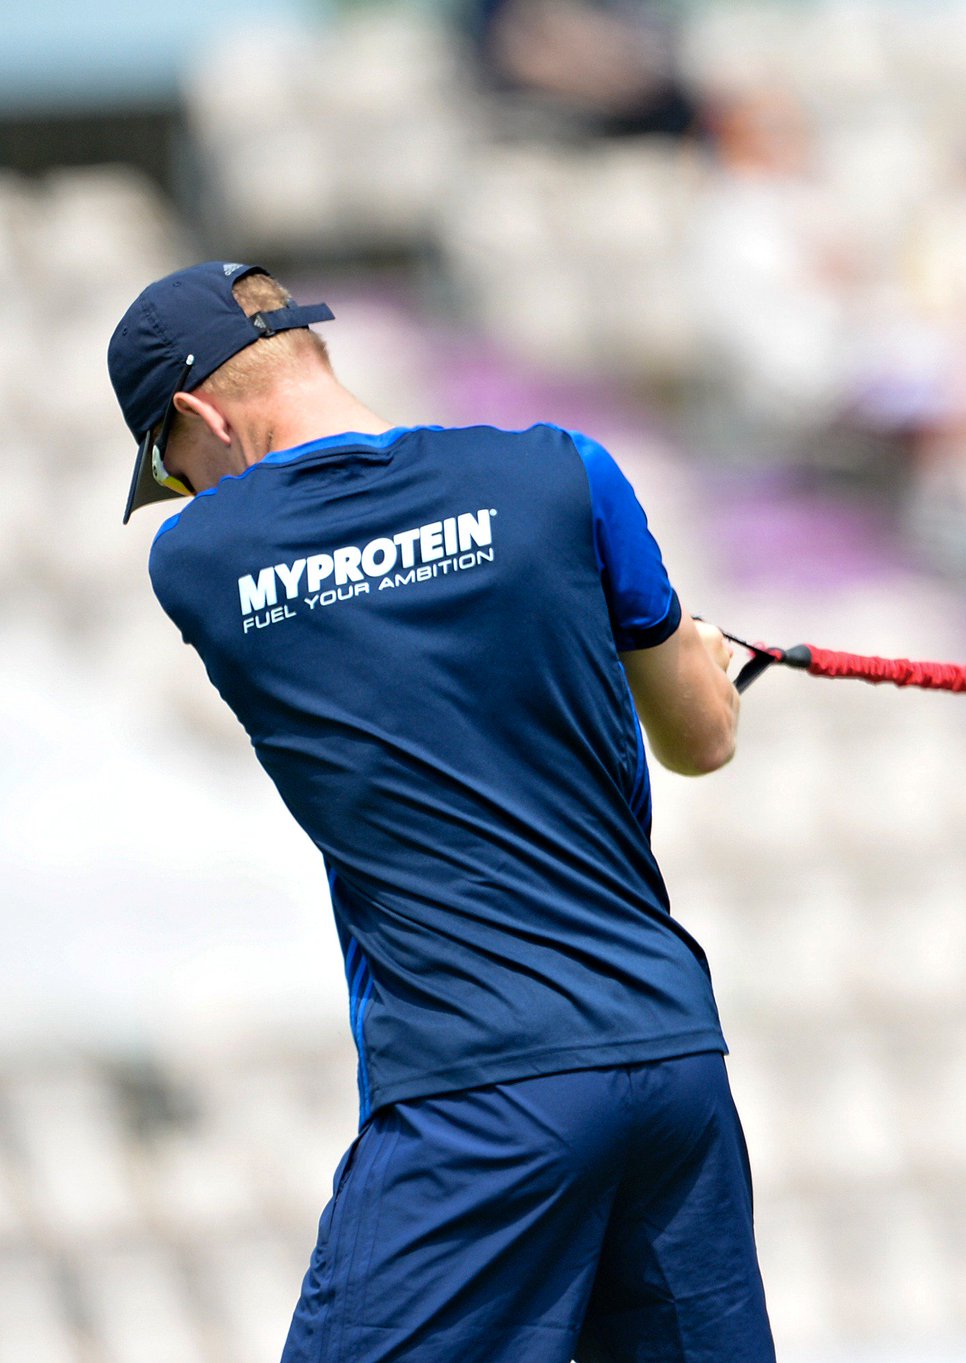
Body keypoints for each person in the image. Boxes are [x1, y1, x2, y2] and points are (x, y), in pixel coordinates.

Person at [108, 263, 771, 1363]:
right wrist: (682, 641)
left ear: (198, 414)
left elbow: (381, 604)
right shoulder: (565, 473)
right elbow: (702, 739)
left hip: (480, 1086)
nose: (190, 496)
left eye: (178, 471)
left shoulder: (202, 557)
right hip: (670, 1060)